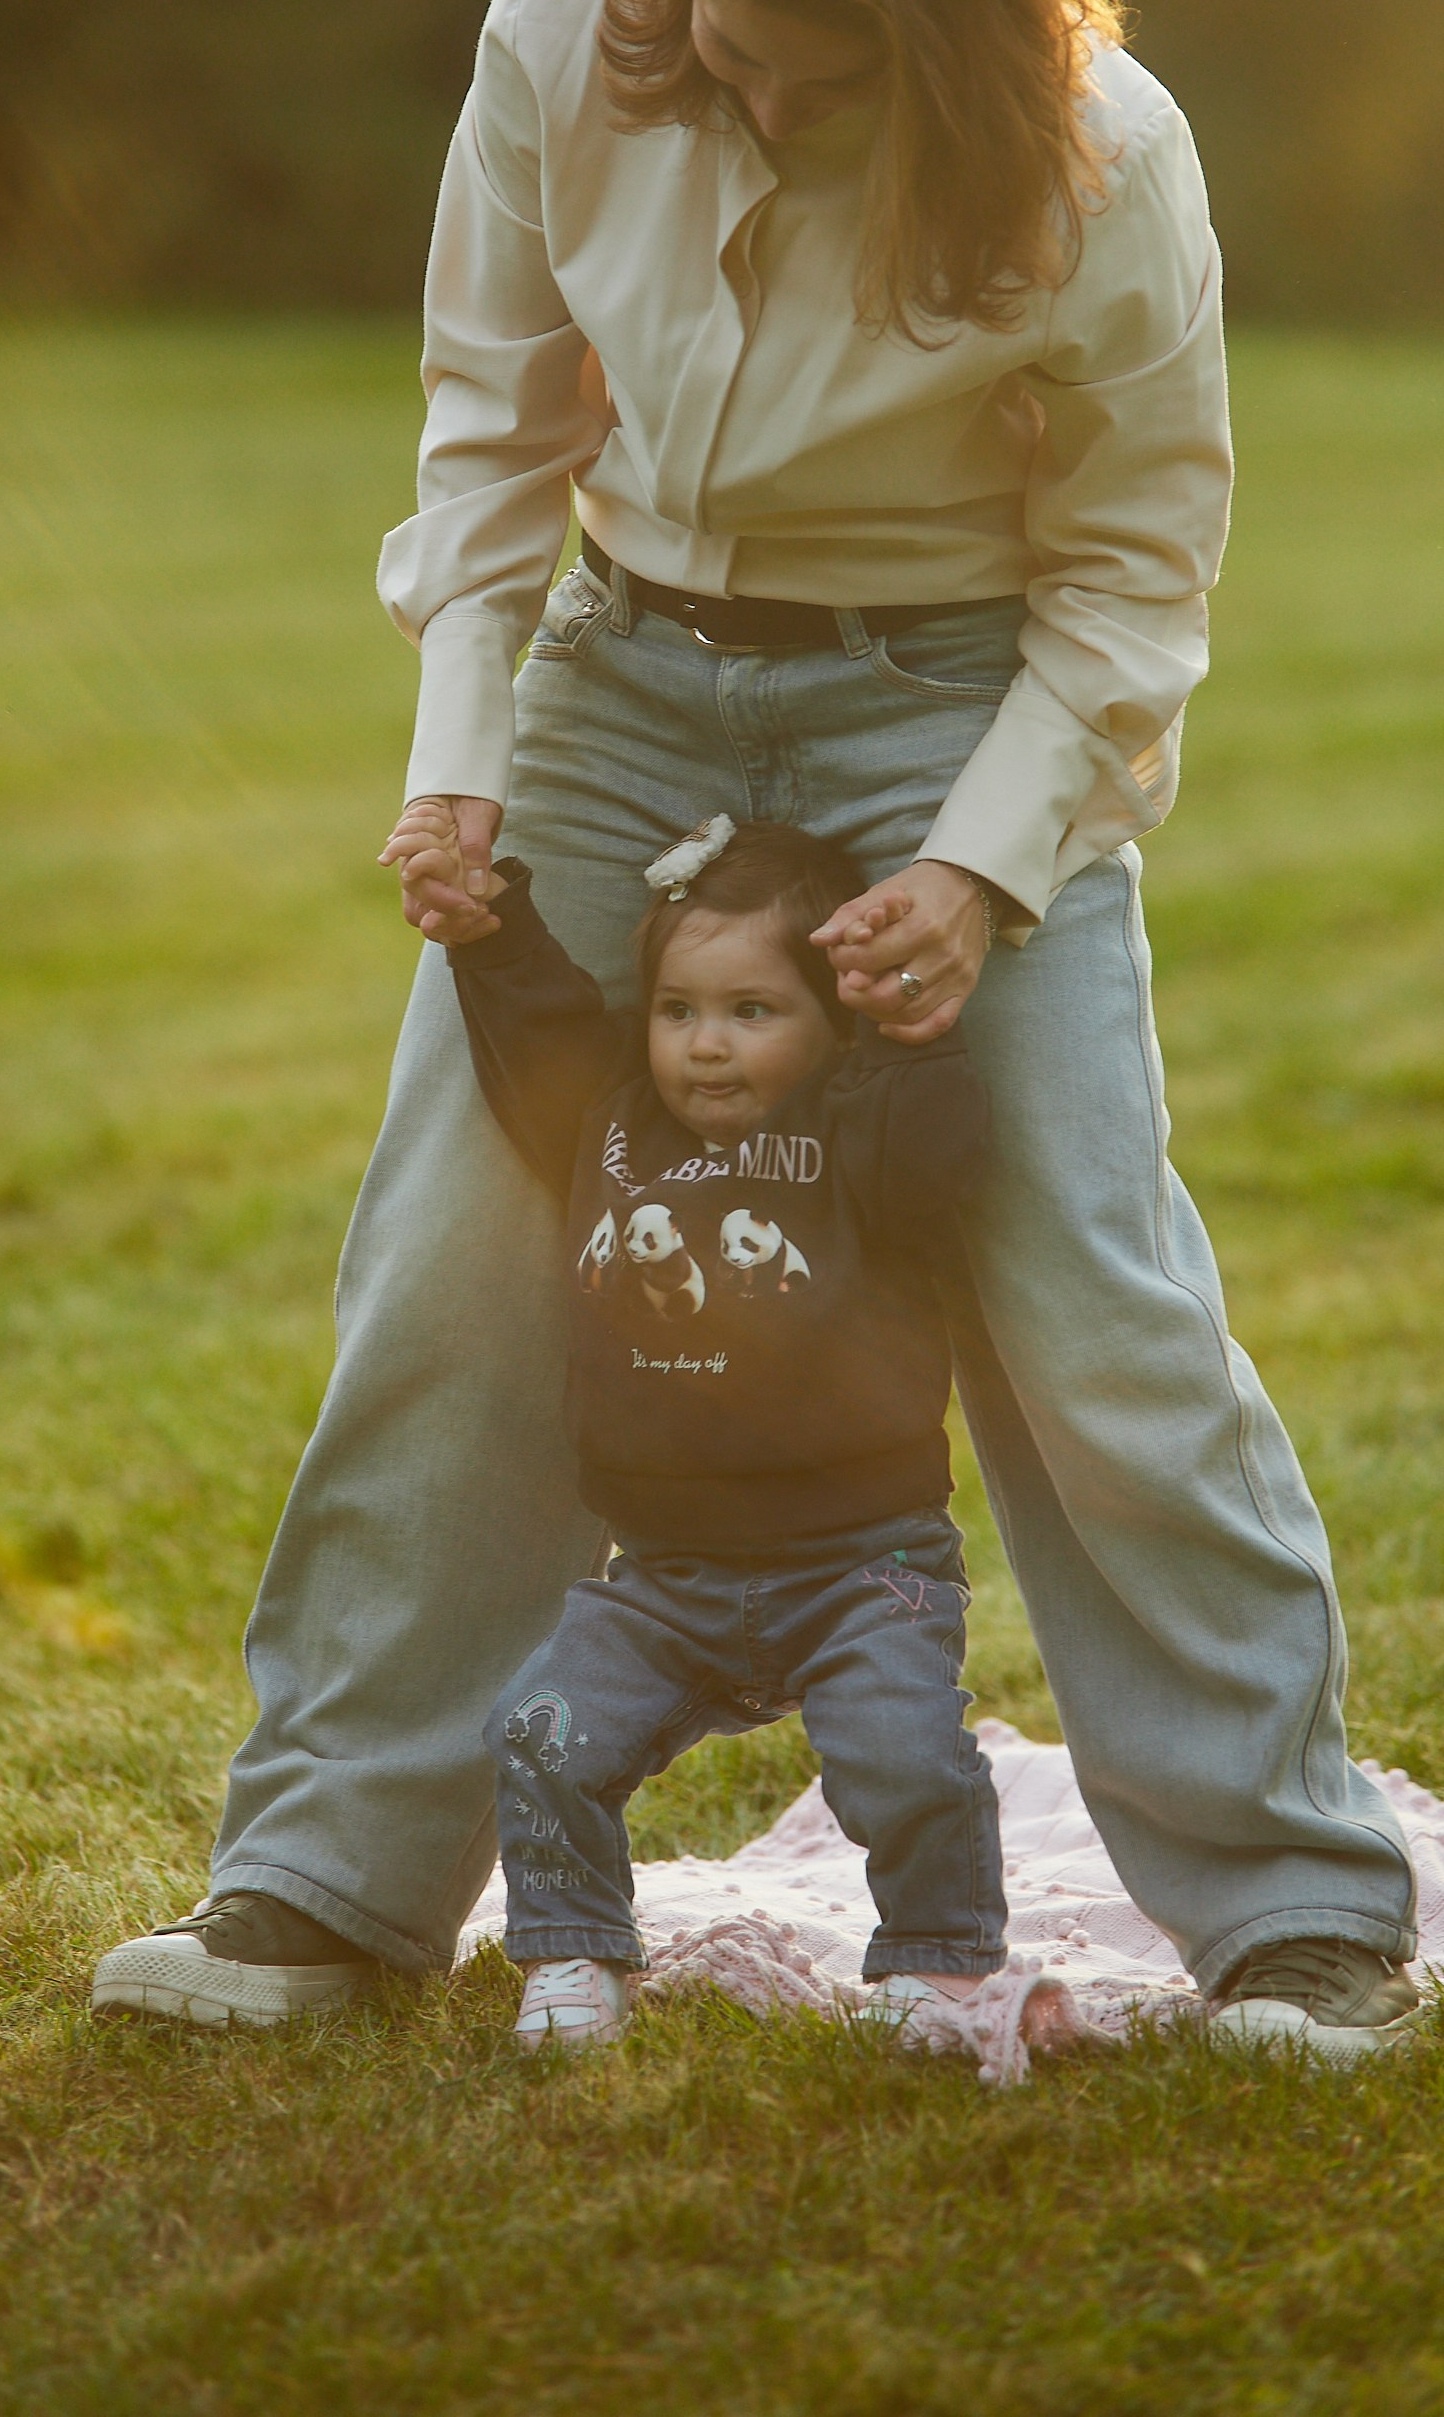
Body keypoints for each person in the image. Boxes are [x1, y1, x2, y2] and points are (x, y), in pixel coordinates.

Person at [93, 0, 1421, 2061]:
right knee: (459, 1246)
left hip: (948, 701)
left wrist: (983, 872)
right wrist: (465, 769)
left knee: (1080, 1272)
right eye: (733, 45)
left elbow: (1129, 579)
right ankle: (324, 1886)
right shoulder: (559, 10)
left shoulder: (1105, 160)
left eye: (827, 77)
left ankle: (1296, 1915)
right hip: (618, 672)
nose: (767, 101)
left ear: (950, 32)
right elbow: (493, 421)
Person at [448, 815, 1008, 2050]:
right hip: (661, 1579)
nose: (705, 1045)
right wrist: (487, 922)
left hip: (863, 1566)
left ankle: (938, 1964)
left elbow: (941, 1162)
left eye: (753, 1010)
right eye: (676, 1009)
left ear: (830, 1022)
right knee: (536, 1734)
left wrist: (914, 1043)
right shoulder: (606, 1129)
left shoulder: (857, 1127)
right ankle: (574, 1952)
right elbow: (536, 1024)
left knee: (901, 1758)